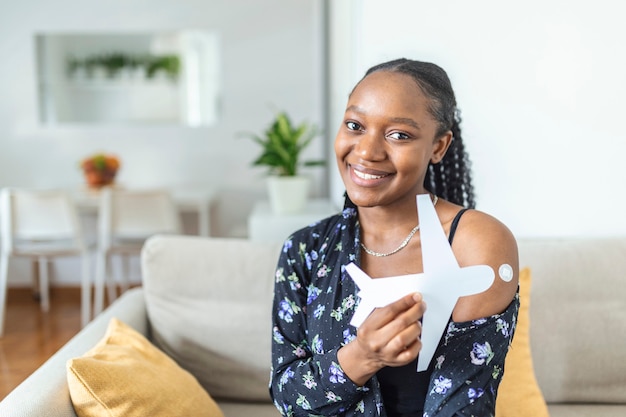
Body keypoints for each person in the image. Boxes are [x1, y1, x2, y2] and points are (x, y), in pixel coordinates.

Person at [269, 58, 519, 417]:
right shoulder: (305, 250)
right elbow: (287, 396)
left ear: (438, 146)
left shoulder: (473, 242)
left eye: (399, 134)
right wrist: (362, 356)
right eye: (355, 125)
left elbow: (463, 405)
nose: (367, 152)